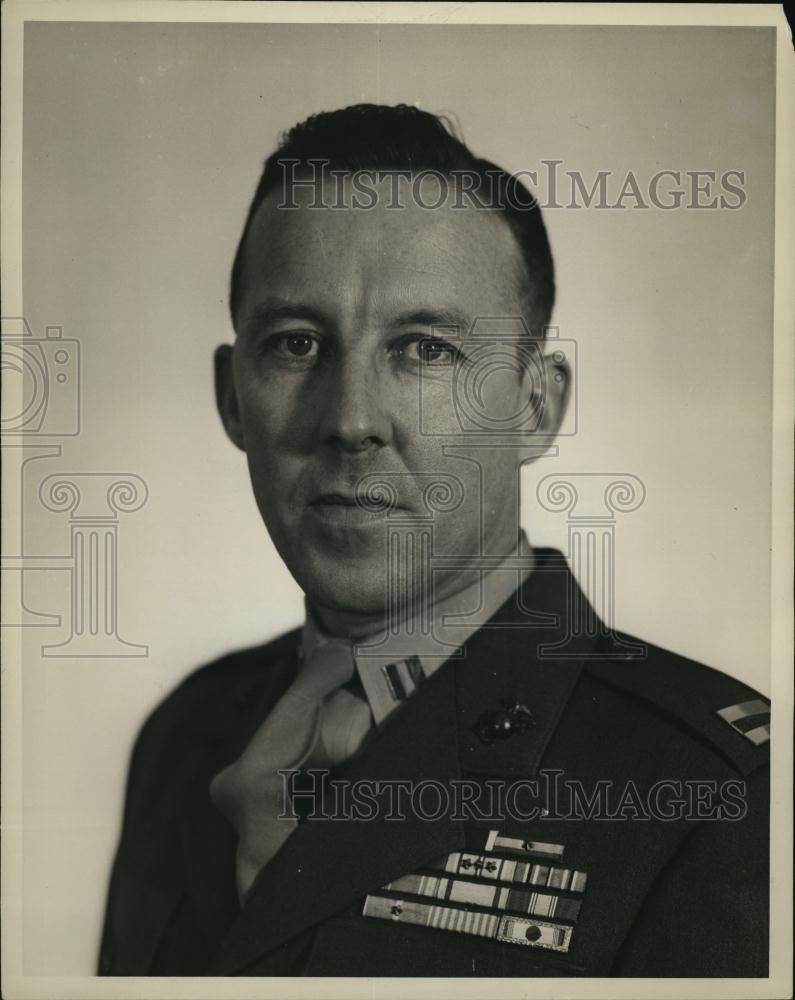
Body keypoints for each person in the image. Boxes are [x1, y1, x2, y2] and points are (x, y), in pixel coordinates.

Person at [99, 104, 770, 978]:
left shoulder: (719, 794)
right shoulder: (188, 734)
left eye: (424, 351)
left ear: (537, 405)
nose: (349, 421)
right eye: (296, 344)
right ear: (232, 399)